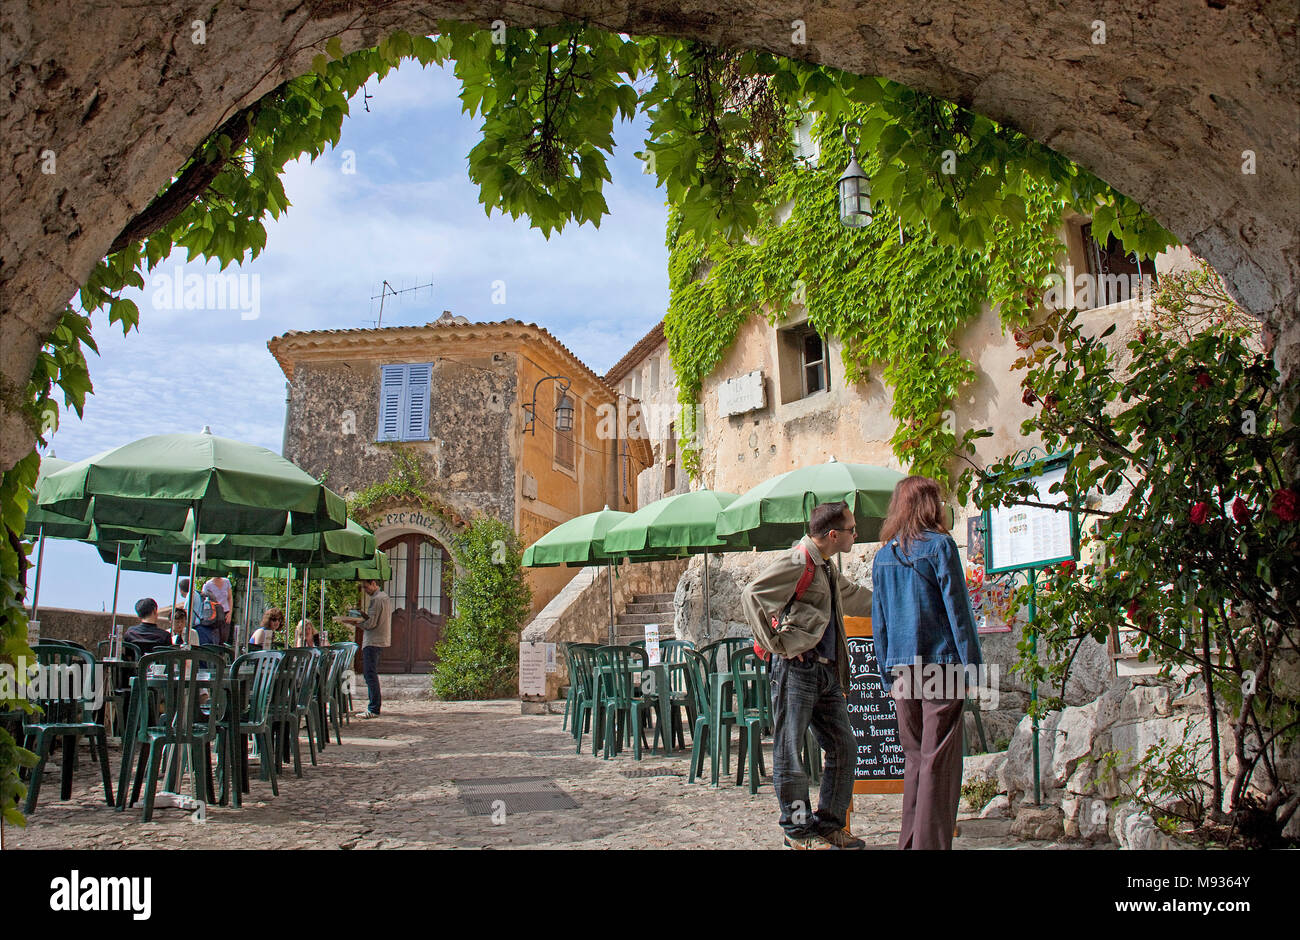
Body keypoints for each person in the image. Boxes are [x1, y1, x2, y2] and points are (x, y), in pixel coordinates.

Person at [741, 501, 873, 850]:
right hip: (796, 671)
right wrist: (777, 645)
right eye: (851, 530)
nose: (855, 535)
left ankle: (828, 825)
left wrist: (895, 601)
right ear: (833, 535)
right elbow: (752, 595)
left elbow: (852, 596)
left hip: (827, 674)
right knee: (791, 753)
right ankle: (797, 832)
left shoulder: (825, 567)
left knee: (844, 748)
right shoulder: (799, 560)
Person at [871, 475, 983, 850]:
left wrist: (886, 669)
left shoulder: (884, 555)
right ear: (929, 504)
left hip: (902, 668)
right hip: (941, 664)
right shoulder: (940, 547)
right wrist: (973, 668)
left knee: (916, 759)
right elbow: (958, 610)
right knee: (938, 761)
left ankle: (910, 842)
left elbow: (880, 620)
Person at [356, 579, 391, 719]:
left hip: (372, 641)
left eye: (366, 587)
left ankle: (374, 707)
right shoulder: (385, 597)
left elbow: (371, 623)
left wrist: (356, 623)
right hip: (380, 639)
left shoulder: (376, 599)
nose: (365, 590)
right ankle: (374, 705)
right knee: (371, 673)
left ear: (373, 583)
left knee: (369, 674)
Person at [201, 575, 233, 644]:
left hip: (225, 613)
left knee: (224, 636)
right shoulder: (208, 585)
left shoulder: (227, 582)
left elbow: (230, 598)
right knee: (216, 636)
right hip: (215, 614)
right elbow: (204, 600)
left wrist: (230, 613)